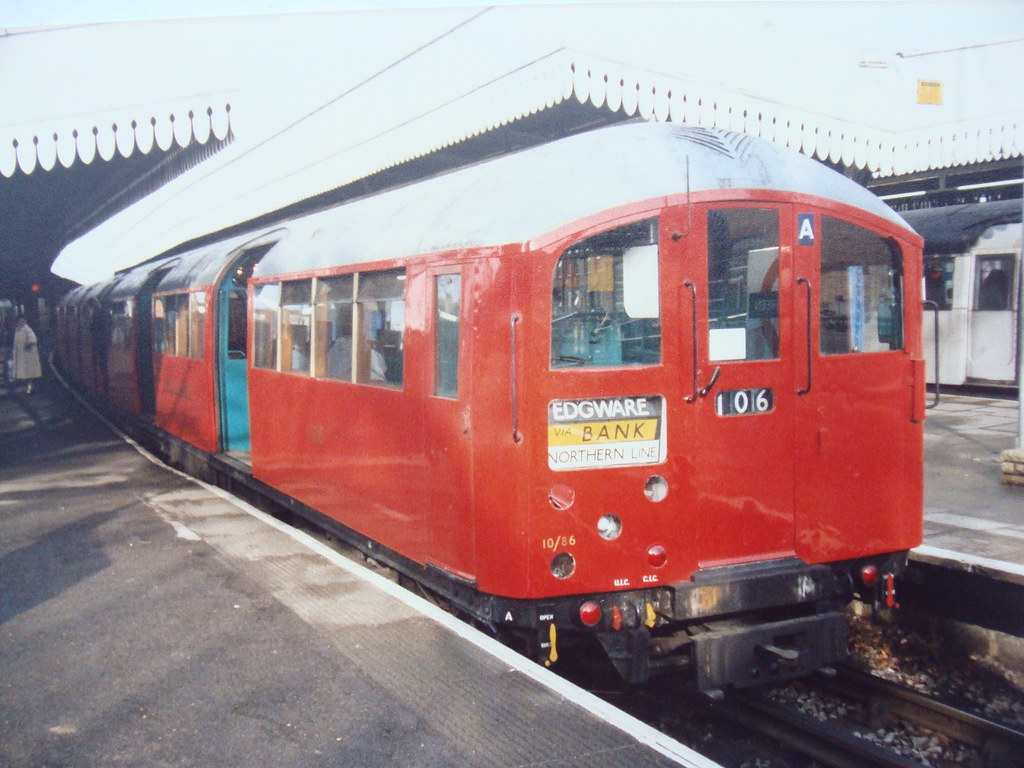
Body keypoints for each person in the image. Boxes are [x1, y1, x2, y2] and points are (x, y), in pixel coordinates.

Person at [11, 317, 42, 394]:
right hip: (21, 354)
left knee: (29, 372)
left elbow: (33, 339)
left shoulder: (28, 329)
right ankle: (25, 387)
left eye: (22, 321)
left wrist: (28, 344)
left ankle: (30, 387)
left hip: (28, 355)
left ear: (24, 322)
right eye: (19, 321)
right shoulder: (17, 330)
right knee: (22, 372)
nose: (20, 323)